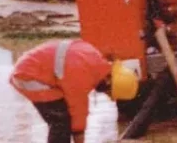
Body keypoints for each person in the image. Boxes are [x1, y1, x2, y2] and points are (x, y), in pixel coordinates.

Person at [10, 39, 139, 143]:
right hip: (27, 76)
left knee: (63, 118)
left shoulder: (94, 60)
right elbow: (78, 110)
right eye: (109, 92)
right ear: (109, 82)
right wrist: (79, 136)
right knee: (60, 121)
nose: (106, 94)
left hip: (37, 69)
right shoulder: (81, 75)